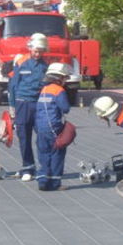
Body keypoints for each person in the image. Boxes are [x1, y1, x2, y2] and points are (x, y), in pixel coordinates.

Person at [8, 33, 49, 181]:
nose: (37, 54)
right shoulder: (21, 62)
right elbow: (13, 85)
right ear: (30, 49)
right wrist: (12, 106)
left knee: (43, 137)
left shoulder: (46, 66)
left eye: (40, 51)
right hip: (22, 103)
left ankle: (44, 167)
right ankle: (28, 168)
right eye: (35, 51)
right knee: (24, 137)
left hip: (38, 104)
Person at [35, 63, 72, 191]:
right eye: (64, 78)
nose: (65, 81)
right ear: (58, 78)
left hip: (41, 127)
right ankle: (55, 182)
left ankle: (43, 180)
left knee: (43, 153)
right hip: (54, 127)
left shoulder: (44, 90)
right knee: (57, 152)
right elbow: (65, 108)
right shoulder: (59, 91)